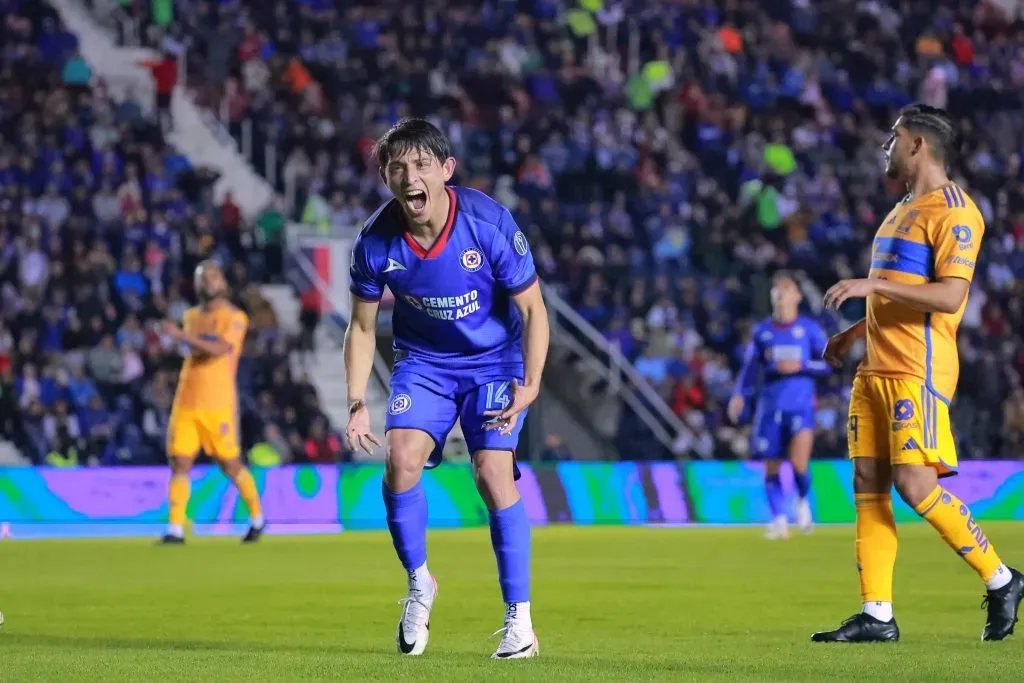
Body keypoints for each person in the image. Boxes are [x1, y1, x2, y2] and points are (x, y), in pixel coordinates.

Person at [813, 104, 1023, 643]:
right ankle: (877, 614)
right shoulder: (899, 209)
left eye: (894, 137)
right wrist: (853, 334)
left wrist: (871, 286)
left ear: (918, 146)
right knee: (868, 483)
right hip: (875, 367)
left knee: (914, 483)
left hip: (917, 370)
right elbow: (894, 292)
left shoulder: (956, 212)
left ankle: (1001, 579)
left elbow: (951, 295)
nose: (886, 147)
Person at [344, 118, 549, 659]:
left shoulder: (488, 222)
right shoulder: (374, 242)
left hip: (494, 362)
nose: (409, 176)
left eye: (421, 165)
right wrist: (357, 401)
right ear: (386, 177)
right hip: (426, 364)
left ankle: (520, 623)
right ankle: (419, 584)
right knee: (401, 459)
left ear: (446, 170)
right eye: (397, 167)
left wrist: (530, 384)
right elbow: (362, 327)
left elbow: (534, 310)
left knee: (491, 472)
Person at [159, 261, 265, 544]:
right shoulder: (191, 315)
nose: (207, 282)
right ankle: (175, 529)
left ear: (224, 283)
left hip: (217, 403)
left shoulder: (235, 317)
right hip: (187, 398)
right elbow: (191, 349)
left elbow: (219, 349)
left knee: (230, 464)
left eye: (213, 277)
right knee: (180, 461)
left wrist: (181, 336)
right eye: (201, 277)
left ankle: (257, 517)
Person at [728, 271, 830, 539]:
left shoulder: (808, 330)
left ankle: (803, 502)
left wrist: (803, 365)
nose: (780, 294)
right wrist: (740, 395)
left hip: (800, 405)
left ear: (796, 296)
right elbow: (750, 368)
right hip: (770, 406)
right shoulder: (763, 331)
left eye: (786, 289)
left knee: (799, 463)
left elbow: (830, 361)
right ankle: (779, 520)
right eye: (777, 290)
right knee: (771, 465)